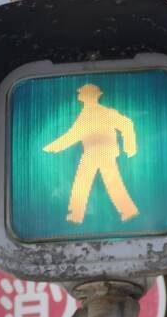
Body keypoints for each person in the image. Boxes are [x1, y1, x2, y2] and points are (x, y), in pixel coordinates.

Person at [43, 83, 139, 224]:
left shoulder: (101, 113)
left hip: (98, 153)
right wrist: (53, 147)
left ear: (89, 96)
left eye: (81, 93)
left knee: (85, 182)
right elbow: (73, 135)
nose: (79, 96)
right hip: (98, 153)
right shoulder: (90, 114)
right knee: (107, 183)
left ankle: (75, 216)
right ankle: (127, 212)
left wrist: (130, 147)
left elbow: (126, 124)